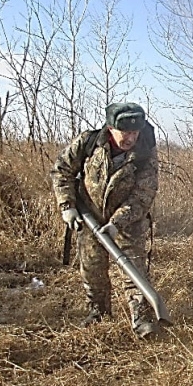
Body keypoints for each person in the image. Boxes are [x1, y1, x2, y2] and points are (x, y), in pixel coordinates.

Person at [51, 102, 161, 338]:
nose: (130, 138)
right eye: (125, 133)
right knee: (92, 269)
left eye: (135, 133)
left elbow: (143, 196)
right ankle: (98, 312)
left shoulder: (144, 153)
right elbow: (62, 170)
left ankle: (141, 319)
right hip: (89, 217)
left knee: (134, 271)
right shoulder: (89, 143)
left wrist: (116, 223)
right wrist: (67, 206)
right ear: (111, 128)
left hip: (129, 221)